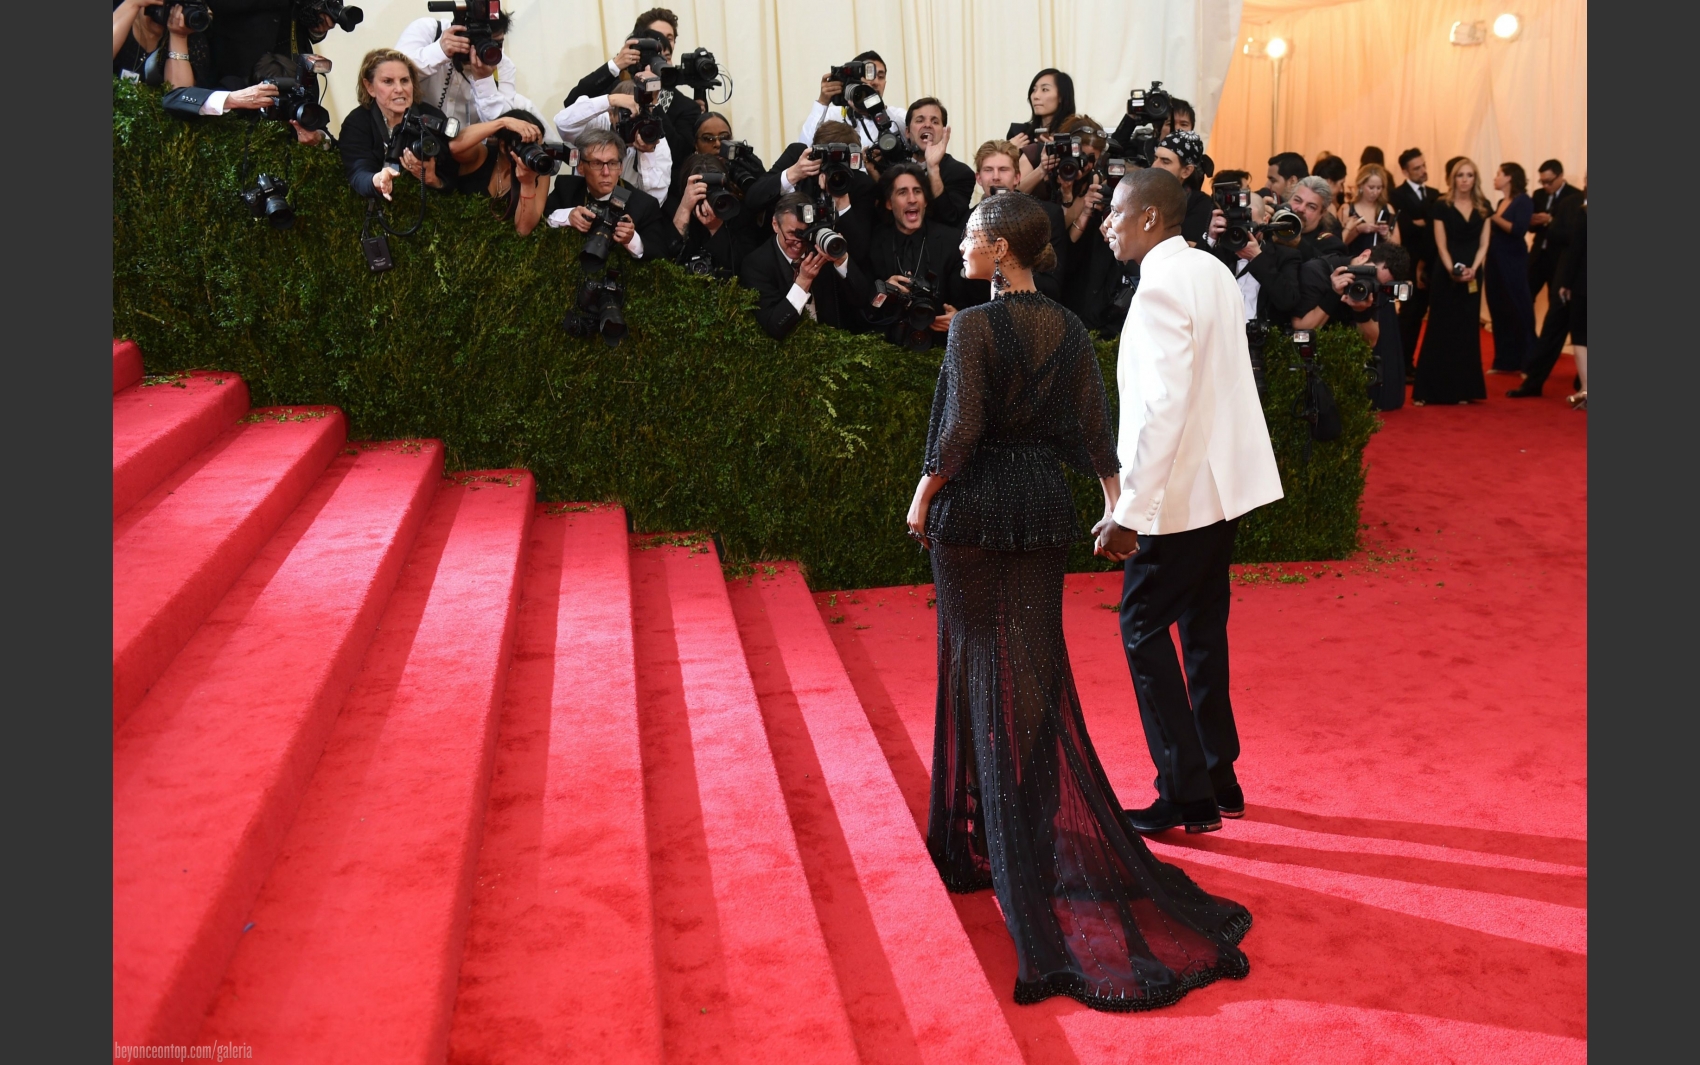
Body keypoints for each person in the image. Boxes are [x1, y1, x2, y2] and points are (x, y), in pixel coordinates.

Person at [905, 187, 1250, 1013]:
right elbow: (1095, 434)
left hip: (975, 510)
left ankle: (981, 840)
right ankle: (1020, 821)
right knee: (1030, 662)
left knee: (971, 659)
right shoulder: (1065, 326)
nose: (961, 248)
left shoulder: (977, 327)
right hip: (1042, 507)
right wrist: (1109, 501)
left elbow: (958, 433)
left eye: (972, 237)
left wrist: (922, 497)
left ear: (1001, 246)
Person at [1092, 167, 1283, 839]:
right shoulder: (1208, 270)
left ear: (1149, 217)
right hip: (1220, 493)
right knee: (1201, 634)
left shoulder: (1160, 289)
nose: (1106, 222)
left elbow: (1162, 410)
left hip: (1180, 500)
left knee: (1142, 629)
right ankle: (1218, 773)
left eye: (1116, 212)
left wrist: (1128, 512)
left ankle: (1187, 792)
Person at [849, 161, 975, 348]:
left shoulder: (952, 241)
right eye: (902, 192)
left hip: (940, 347)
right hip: (888, 349)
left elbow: (970, 300)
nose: (912, 199)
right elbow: (863, 310)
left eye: (917, 191)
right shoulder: (873, 242)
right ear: (889, 203)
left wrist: (958, 318)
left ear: (925, 200)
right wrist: (882, 291)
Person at [738, 190, 874, 340]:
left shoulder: (820, 248)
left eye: (805, 233)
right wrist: (803, 282)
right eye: (792, 234)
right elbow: (774, 326)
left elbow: (861, 300)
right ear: (775, 225)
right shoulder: (756, 264)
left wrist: (841, 260)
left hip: (833, 344)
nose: (799, 241)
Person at [1413, 157, 1490, 406]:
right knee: (1440, 328)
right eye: (1460, 175)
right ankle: (1430, 390)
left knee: (1467, 330)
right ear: (1452, 178)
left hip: (1473, 275)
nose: (1465, 180)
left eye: (1469, 175)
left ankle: (1464, 390)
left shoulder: (1483, 207)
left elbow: (1484, 244)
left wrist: (1473, 270)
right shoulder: (1441, 206)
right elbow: (1441, 244)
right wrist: (1452, 270)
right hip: (1445, 275)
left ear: (1475, 179)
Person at [338, 49, 460, 201]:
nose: (399, 89)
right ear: (369, 87)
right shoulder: (357, 122)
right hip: (376, 211)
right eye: (388, 81)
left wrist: (433, 180)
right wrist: (377, 179)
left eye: (404, 80)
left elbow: (454, 180)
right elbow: (357, 172)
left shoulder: (432, 117)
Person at [395, 6, 535, 133]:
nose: (485, 48)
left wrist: (485, 81)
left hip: (465, 150)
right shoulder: (430, 31)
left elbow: (504, 126)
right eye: (478, 41)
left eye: (496, 42)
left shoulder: (503, 66)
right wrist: (439, 51)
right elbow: (393, 74)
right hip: (413, 136)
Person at [544, 129, 678, 262]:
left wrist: (632, 240)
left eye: (613, 163)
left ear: (620, 168)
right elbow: (542, 221)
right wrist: (568, 217)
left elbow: (661, 255)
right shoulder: (566, 187)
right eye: (597, 163)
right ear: (581, 167)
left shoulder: (643, 205)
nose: (606, 172)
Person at [963, 141, 1070, 302]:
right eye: (988, 170)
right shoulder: (969, 219)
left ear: (1017, 177)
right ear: (978, 177)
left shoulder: (1047, 215)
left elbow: (1053, 284)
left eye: (1003, 169)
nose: (996, 177)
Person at [1508, 179, 1586, 400]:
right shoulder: (1572, 204)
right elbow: (1554, 233)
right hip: (1567, 278)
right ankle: (1533, 383)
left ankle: (1583, 383)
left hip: (1583, 283)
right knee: (1552, 331)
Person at [554, 77, 673, 203]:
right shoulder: (598, 122)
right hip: (584, 201)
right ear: (611, 114)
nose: (635, 123)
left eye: (640, 116)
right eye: (628, 115)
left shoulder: (654, 138)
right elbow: (562, 123)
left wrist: (647, 155)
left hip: (628, 209)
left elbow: (656, 200)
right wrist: (611, 100)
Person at [446, 109, 551, 236]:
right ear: (503, 145)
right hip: (454, 236)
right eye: (525, 145)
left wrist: (528, 184)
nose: (531, 152)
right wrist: (502, 122)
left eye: (536, 145)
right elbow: (454, 146)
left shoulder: (539, 175)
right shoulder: (481, 155)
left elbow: (523, 230)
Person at [664, 153, 763, 280]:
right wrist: (684, 208)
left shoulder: (737, 210)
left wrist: (716, 228)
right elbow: (667, 260)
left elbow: (743, 265)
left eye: (714, 189)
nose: (707, 198)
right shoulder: (672, 208)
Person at [1389, 148, 1436, 381]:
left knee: (1424, 314)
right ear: (1405, 171)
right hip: (1408, 264)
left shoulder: (1435, 194)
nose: (1423, 171)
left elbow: (1431, 227)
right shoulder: (1396, 196)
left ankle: (1415, 364)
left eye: (1424, 165)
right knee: (1409, 314)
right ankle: (1402, 364)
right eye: (1417, 168)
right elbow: (1404, 228)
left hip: (1432, 264)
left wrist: (1422, 223)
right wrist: (1419, 223)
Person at [892, 98, 977, 227]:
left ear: (943, 133)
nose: (927, 125)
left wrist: (933, 168)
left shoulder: (961, 173)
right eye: (920, 120)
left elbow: (949, 219)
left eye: (935, 121)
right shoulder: (893, 168)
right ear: (908, 132)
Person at [1485, 163, 1536, 374]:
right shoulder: (1500, 201)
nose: (1495, 178)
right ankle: (1504, 360)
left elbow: (1518, 230)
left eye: (1499, 174)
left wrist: (1492, 215)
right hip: (1495, 258)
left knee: (1519, 308)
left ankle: (1528, 362)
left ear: (1509, 178)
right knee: (1498, 308)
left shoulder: (1523, 200)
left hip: (1513, 260)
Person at [797, 51, 905, 149]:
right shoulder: (832, 116)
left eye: (881, 77)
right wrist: (822, 103)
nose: (876, 82)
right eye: (869, 76)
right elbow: (804, 147)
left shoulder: (898, 117)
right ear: (854, 80)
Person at [1150, 131, 1217, 246]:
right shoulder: (1142, 195)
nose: (1155, 166)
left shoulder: (1200, 204)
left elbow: (1188, 249)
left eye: (1165, 161)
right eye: (1155, 158)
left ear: (1186, 171)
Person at [1527, 159, 1580, 301]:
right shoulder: (1538, 194)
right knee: (1525, 296)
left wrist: (1550, 221)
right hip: (1538, 255)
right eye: (1542, 181)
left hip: (1558, 257)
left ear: (1561, 176)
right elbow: (1531, 228)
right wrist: (1532, 220)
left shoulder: (1574, 197)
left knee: (1555, 300)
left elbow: (1573, 232)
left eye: (1549, 181)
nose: (1545, 185)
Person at [1555, 187, 1587, 408]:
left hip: (1585, 282)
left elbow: (1576, 249)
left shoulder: (1585, 212)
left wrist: (1565, 282)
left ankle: (1586, 389)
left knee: (1582, 337)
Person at [1339, 163, 1401, 255]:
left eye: (1379, 188)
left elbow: (1397, 245)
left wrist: (1386, 235)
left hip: (1380, 265)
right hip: (1354, 264)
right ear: (1360, 185)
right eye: (1371, 187)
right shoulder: (1347, 209)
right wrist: (1358, 230)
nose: (1375, 192)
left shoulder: (1387, 208)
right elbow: (1340, 244)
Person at [1006, 68, 1077, 148]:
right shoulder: (1019, 133)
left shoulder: (1076, 134)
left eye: (1045, 89)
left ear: (1061, 96)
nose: (1036, 96)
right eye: (1034, 90)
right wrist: (1009, 151)